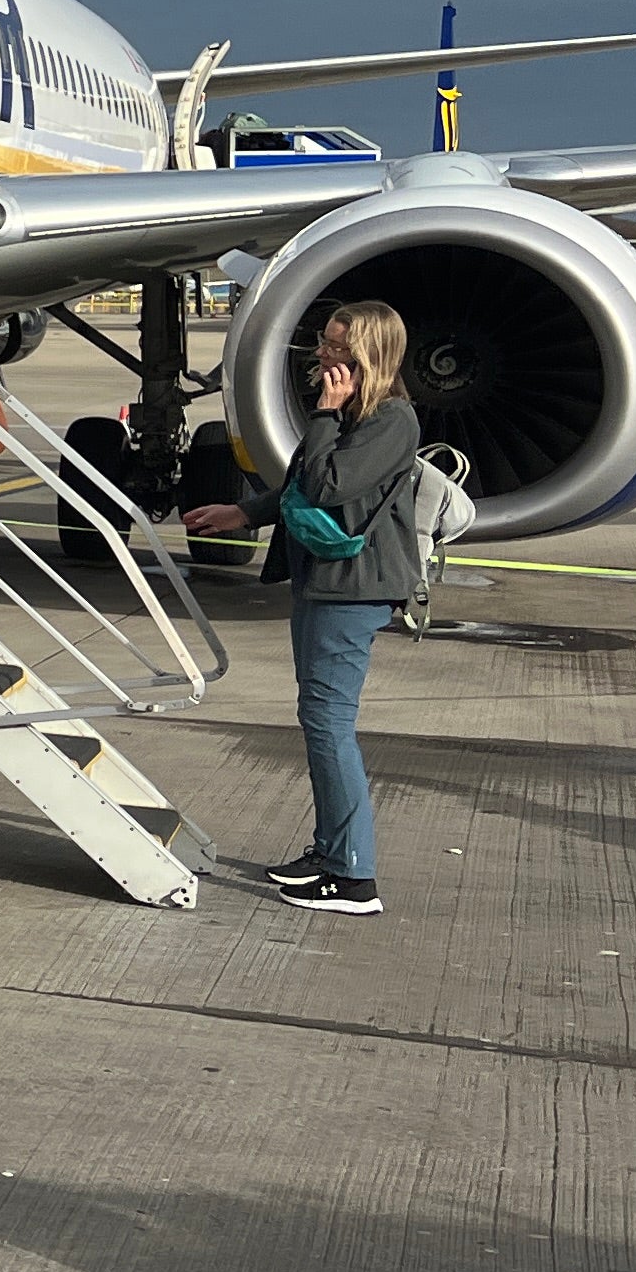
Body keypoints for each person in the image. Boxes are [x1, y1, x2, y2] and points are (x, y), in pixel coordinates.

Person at [180, 300, 422, 917]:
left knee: (329, 724)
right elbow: (297, 486)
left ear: (367, 354)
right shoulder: (356, 414)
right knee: (319, 721)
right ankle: (330, 853)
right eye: (323, 342)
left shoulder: (391, 420)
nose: (323, 355)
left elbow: (327, 485)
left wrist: (323, 413)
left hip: (354, 589)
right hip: (325, 583)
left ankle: (353, 877)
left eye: (337, 348)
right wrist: (244, 513)